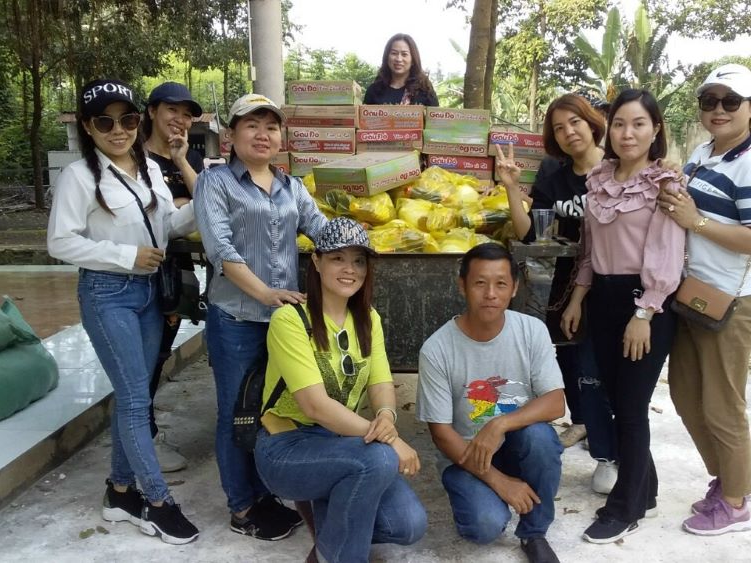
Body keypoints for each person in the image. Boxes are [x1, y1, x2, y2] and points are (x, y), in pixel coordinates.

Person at [47, 78, 199, 544]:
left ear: (139, 121)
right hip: (108, 293)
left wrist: (199, 202)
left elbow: (168, 224)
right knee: (134, 398)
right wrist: (124, 256)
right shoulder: (79, 177)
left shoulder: (149, 168)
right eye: (105, 121)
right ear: (88, 128)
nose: (119, 130)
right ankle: (156, 501)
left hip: (151, 293)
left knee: (135, 394)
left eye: (127, 119)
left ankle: (118, 491)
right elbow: (59, 242)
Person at [255, 217, 427, 563]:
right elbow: (315, 406)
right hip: (287, 447)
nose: (350, 269)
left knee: (409, 525)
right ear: (316, 262)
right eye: (337, 258)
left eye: (358, 260)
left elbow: (381, 382)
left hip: (341, 444)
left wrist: (387, 416)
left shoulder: (368, 318)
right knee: (378, 459)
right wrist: (391, 440)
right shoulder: (290, 321)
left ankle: (330, 527)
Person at [195, 93, 328, 541]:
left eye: (271, 126)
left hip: (283, 323)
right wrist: (267, 293)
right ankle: (242, 504)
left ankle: (267, 491)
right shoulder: (215, 184)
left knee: (273, 410)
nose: (262, 134)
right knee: (237, 411)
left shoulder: (293, 187)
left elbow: (324, 233)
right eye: (251, 125)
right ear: (231, 135)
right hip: (236, 316)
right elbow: (220, 250)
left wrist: (367, 245)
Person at [657, 63, 751, 536]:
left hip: (731, 303)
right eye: (710, 100)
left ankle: (735, 503)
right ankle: (728, 479)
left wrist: (696, 221)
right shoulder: (704, 152)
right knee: (686, 396)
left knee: (723, 406)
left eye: (732, 101)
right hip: (693, 297)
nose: (719, 110)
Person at [560, 88, 686, 544]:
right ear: (607, 130)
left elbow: (667, 255)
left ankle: (624, 507)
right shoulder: (599, 179)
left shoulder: (664, 184)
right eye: (618, 124)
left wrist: (645, 312)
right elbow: (591, 251)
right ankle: (645, 489)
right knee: (617, 402)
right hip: (604, 300)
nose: (627, 133)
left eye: (638, 124)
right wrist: (578, 298)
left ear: (655, 130)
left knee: (631, 409)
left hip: (645, 303)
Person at [496, 93, 617, 495]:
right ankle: (584, 426)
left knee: (598, 371)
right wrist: (512, 187)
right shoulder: (553, 174)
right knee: (571, 361)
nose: (569, 132)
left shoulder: (619, 167)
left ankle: (609, 453)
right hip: (568, 283)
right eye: (559, 128)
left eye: (575, 122)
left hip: (614, 282)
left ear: (592, 122)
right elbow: (530, 231)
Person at [416, 243, 566, 563]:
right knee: (484, 527)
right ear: (462, 286)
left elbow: (556, 402)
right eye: (480, 283)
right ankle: (481, 494)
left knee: (539, 437)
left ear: (514, 288)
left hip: (516, 445)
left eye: (501, 283)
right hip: (468, 456)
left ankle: (534, 532)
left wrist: (500, 423)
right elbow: (441, 433)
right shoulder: (437, 349)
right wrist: (500, 483)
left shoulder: (531, 331)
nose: (490, 294)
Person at [142, 81, 205, 473]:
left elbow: (209, 204)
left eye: (186, 114)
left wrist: (182, 162)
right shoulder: (134, 155)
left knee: (160, 352)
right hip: (142, 267)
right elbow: (154, 215)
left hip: (175, 275)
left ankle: (144, 435)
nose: (179, 120)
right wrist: (182, 205)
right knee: (141, 359)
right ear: (151, 112)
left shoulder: (191, 156)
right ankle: (142, 440)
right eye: (171, 110)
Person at [363, 33, 439, 106]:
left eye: (404, 54)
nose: (399, 59)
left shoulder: (424, 90)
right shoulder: (374, 90)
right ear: (387, 57)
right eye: (394, 53)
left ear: (413, 59)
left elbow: (435, 118)